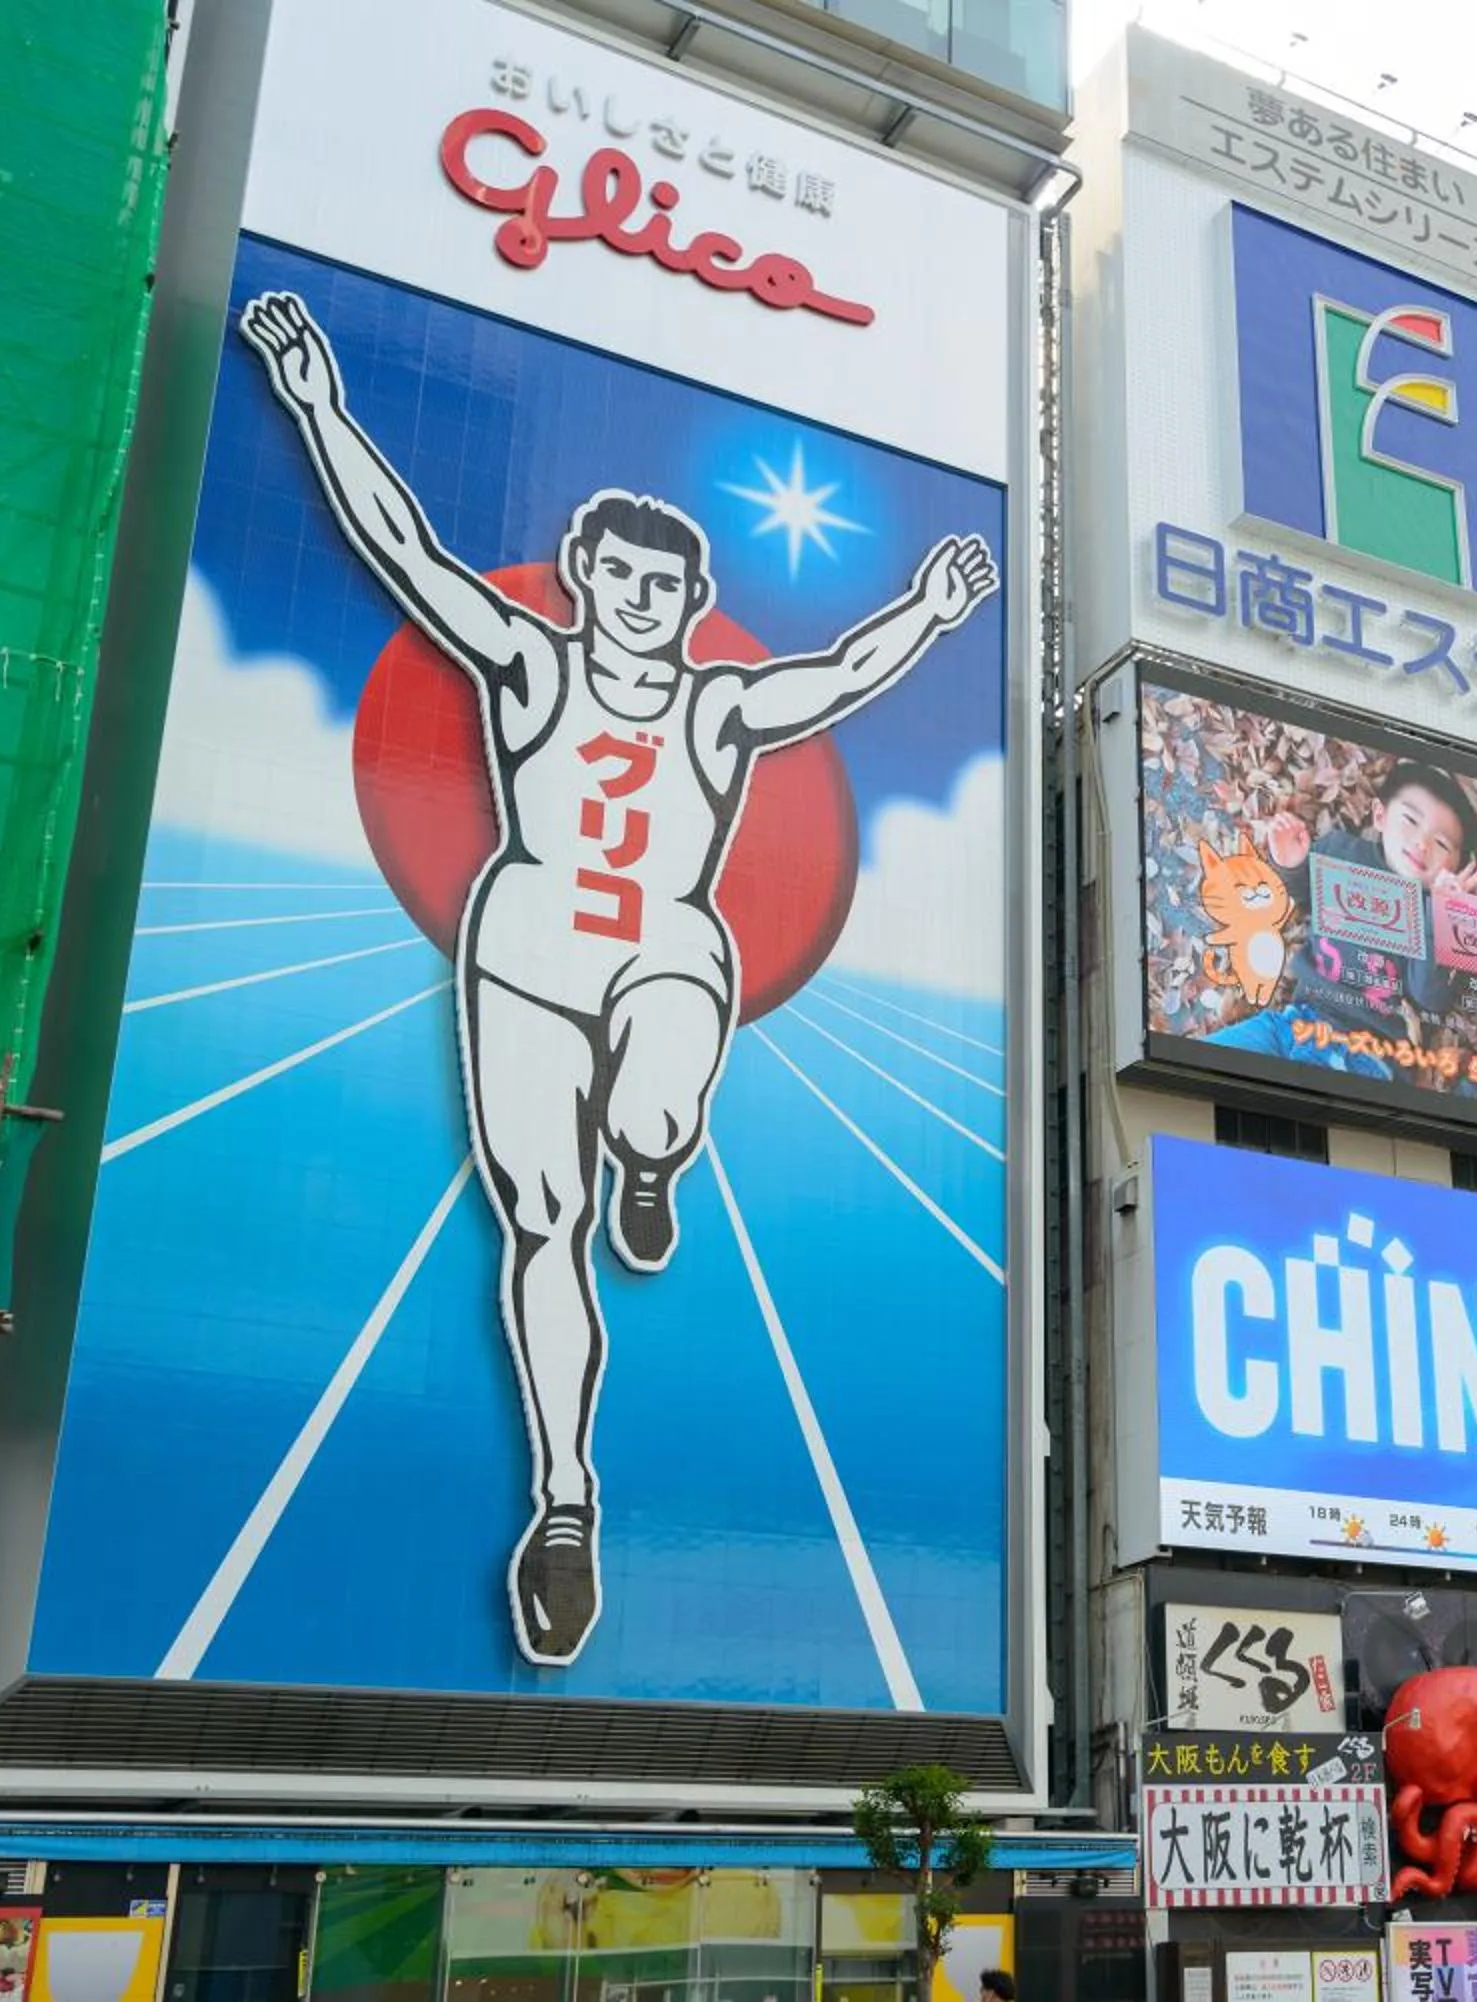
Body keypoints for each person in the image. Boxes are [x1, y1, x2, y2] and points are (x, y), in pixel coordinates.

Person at [240, 289, 997, 1666]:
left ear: (694, 604)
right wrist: (316, 404)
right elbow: (404, 549)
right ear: (585, 580)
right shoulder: (529, 666)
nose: (642, 603)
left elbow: (832, 679)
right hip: (526, 950)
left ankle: (656, 1150)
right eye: (621, 580)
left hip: (662, 947)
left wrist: (932, 613)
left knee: (653, 1089)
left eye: (667, 588)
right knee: (541, 1220)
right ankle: (566, 1500)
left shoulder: (716, 705)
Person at [1200, 764, 1477, 1081]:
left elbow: (1428, 998)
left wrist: (1441, 919)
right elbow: (1301, 896)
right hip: (1292, 1023)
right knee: (1200, 1067)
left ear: (1455, 866)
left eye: (1442, 844)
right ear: (1380, 815)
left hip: (1364, 1053)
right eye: (1410, 820)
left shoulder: (1429, 912)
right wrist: (1292, 863)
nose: (1422, 844)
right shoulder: (1340, 853)